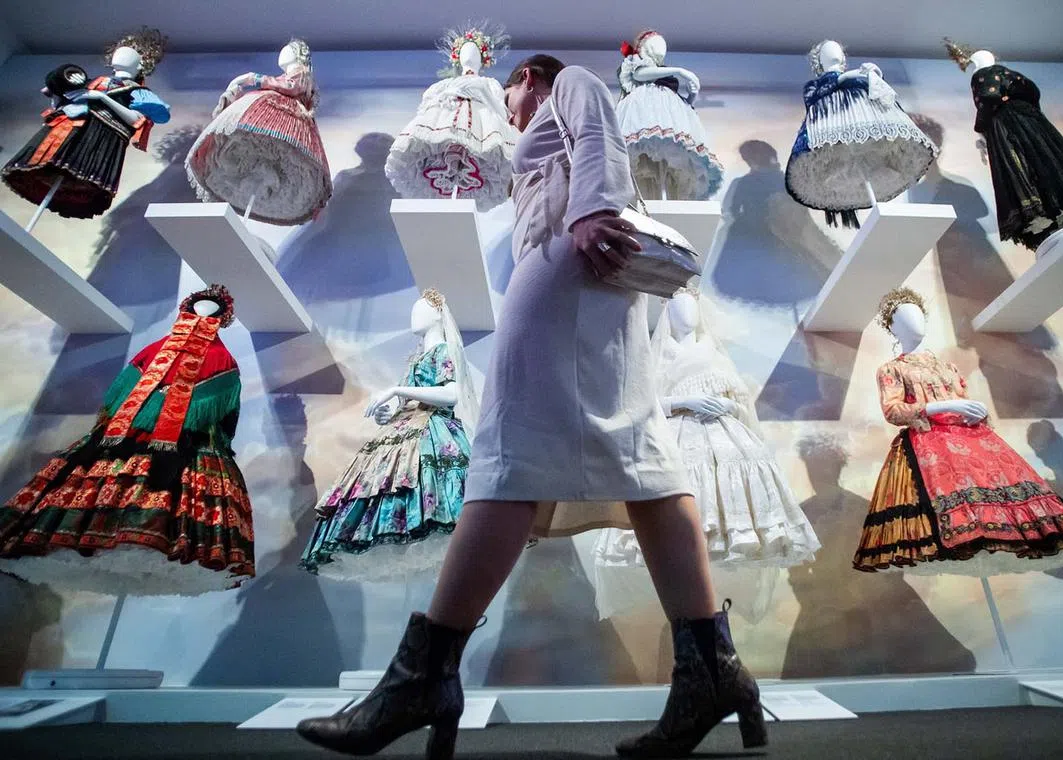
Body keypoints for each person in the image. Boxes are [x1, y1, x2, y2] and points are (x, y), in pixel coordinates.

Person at [296, 55, 765, 759]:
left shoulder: (568, 81)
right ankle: (715, 674)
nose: (509, 102)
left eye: (511, 89)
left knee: (513, 451)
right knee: (639, 461)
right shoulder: (539, 129)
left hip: (567, 269)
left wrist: (592, 210)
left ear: (532, 80)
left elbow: (599, 129)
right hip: (585, 279)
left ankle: (423, 678)